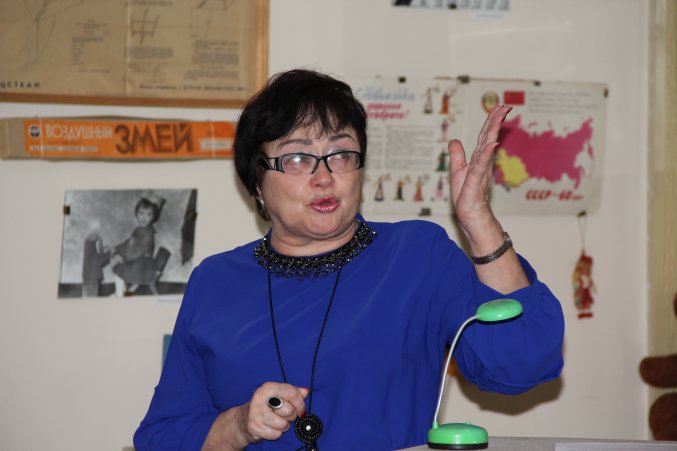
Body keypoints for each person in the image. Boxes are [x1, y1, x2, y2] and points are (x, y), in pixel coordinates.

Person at [133, 69, 564, 450]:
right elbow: (162, 437)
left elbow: (523, 363)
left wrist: (478, 220)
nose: (324, 177)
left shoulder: (417, 254)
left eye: (340, 154)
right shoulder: (215, 281)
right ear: (257, 183)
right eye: (297, 157)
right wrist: (240, 425)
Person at [110, 194, 165, 296]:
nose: (144, 218)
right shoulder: (139, 230)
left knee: (119, 270)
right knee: (120, 269)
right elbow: (129, 243)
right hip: (137, 261)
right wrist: (116, 248)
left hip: (143, 265)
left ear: (153, 217)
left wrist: (124, 258)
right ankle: (123, 292)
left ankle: (119, 294)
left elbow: (138, 251)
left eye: (149, 214)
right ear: (136, 214)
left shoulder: (148, 234)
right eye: (141, 213)